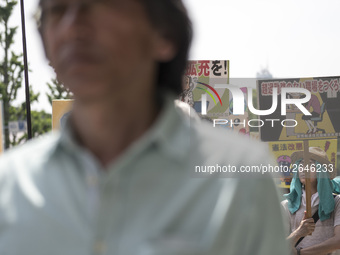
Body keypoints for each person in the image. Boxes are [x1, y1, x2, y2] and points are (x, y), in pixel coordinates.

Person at [0, 0, 289, 254]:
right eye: (57, 10)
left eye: (98, 4)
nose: (72, 26)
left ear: (164, 35)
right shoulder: (11, 186)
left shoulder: (240, 178)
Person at [282, 147, 340, 255]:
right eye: (301, 164)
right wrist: (298, 232)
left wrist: (300, 253)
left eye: (311, 164)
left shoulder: (337, 202)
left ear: (322, 169)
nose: (304, 169)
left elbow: (338, 241)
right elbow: (277, 245)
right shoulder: (286, 205)